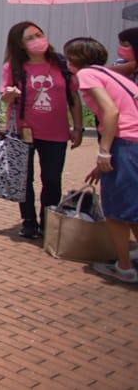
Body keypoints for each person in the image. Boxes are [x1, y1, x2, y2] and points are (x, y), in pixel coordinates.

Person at [61, 37, 138, 283]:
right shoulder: (111, 74)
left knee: (117, 212)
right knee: (133, 208)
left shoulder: (87, 75)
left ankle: (124, 268)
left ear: (74, 60)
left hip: (125, 143)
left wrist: (104, 151)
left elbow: (111, 112)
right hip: (131, 145)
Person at [0, 22, 81, 240]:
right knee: (23, 179)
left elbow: (73, 97)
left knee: (52, 179)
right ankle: (29, 221)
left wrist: (78, 127)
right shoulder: (13, 67)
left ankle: (48, 221)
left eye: (39, 34)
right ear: (20, 44)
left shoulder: (61, 64)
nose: (37, 40)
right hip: (22, 132)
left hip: (56, 133)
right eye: (30, 38)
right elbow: (4, 96)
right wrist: (9, 94)